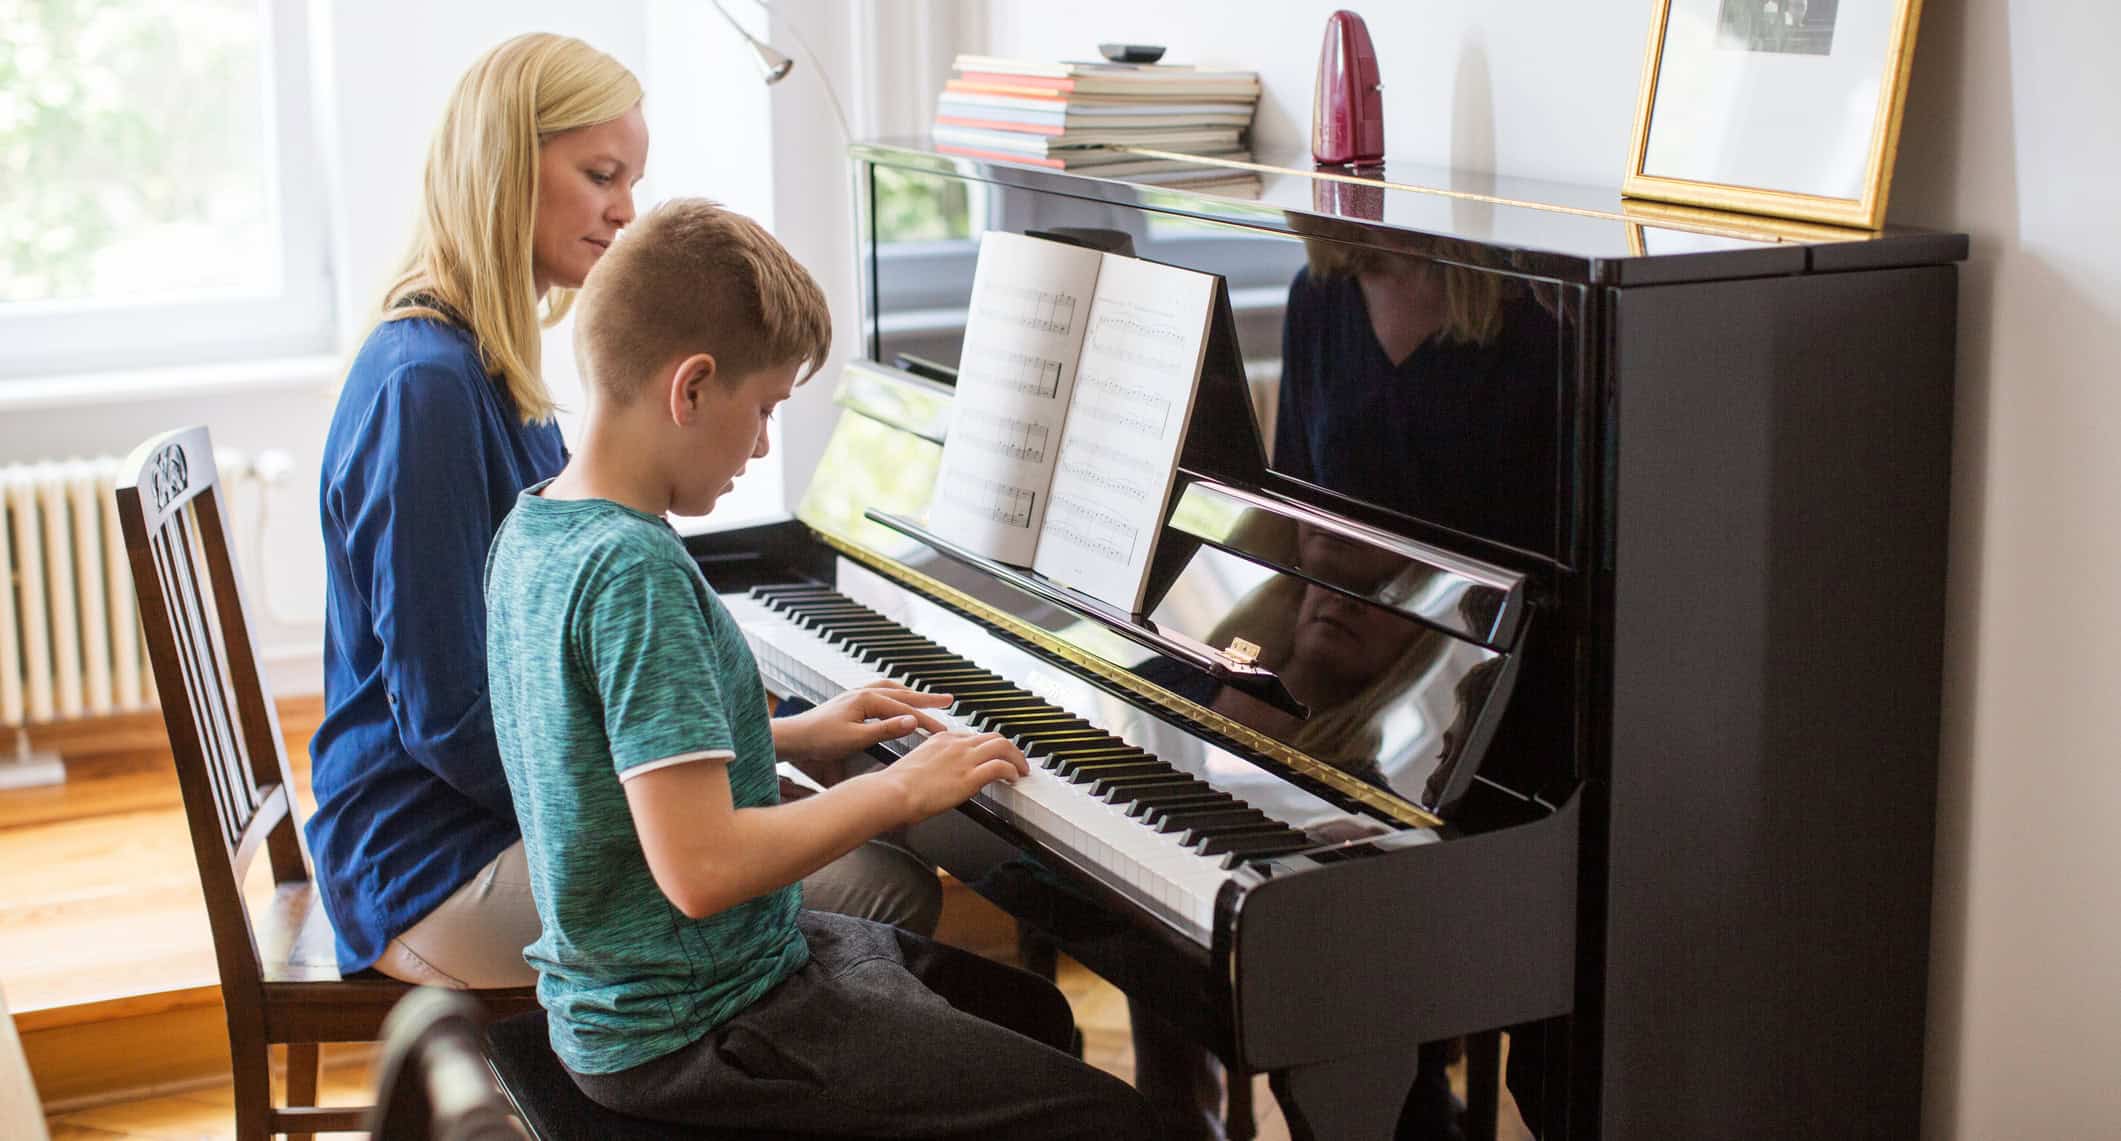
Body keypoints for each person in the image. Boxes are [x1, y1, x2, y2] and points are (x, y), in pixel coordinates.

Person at [482, 197, 1156, 1139]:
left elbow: (598, 757)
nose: (762, 445)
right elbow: (702, 868)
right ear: (691, 388)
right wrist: (900, 792)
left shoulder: (536, 527)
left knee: (1031, 1013)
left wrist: (789, 733)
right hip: (704, 1027)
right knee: (1109, 1118)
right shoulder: (634, 569)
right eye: (762, 410)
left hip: (651, 999)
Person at [309, 32, 937, 990]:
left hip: (490, 815)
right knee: (884, 891)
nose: (624, 210)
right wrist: (692, 810)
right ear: (504, 166)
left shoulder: (485, 362)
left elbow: (560, 688)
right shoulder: (425, 388)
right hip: (429, 858)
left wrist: (787, 737)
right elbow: (450, 720)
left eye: (632, 178)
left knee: (816, 836)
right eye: (600, 174)